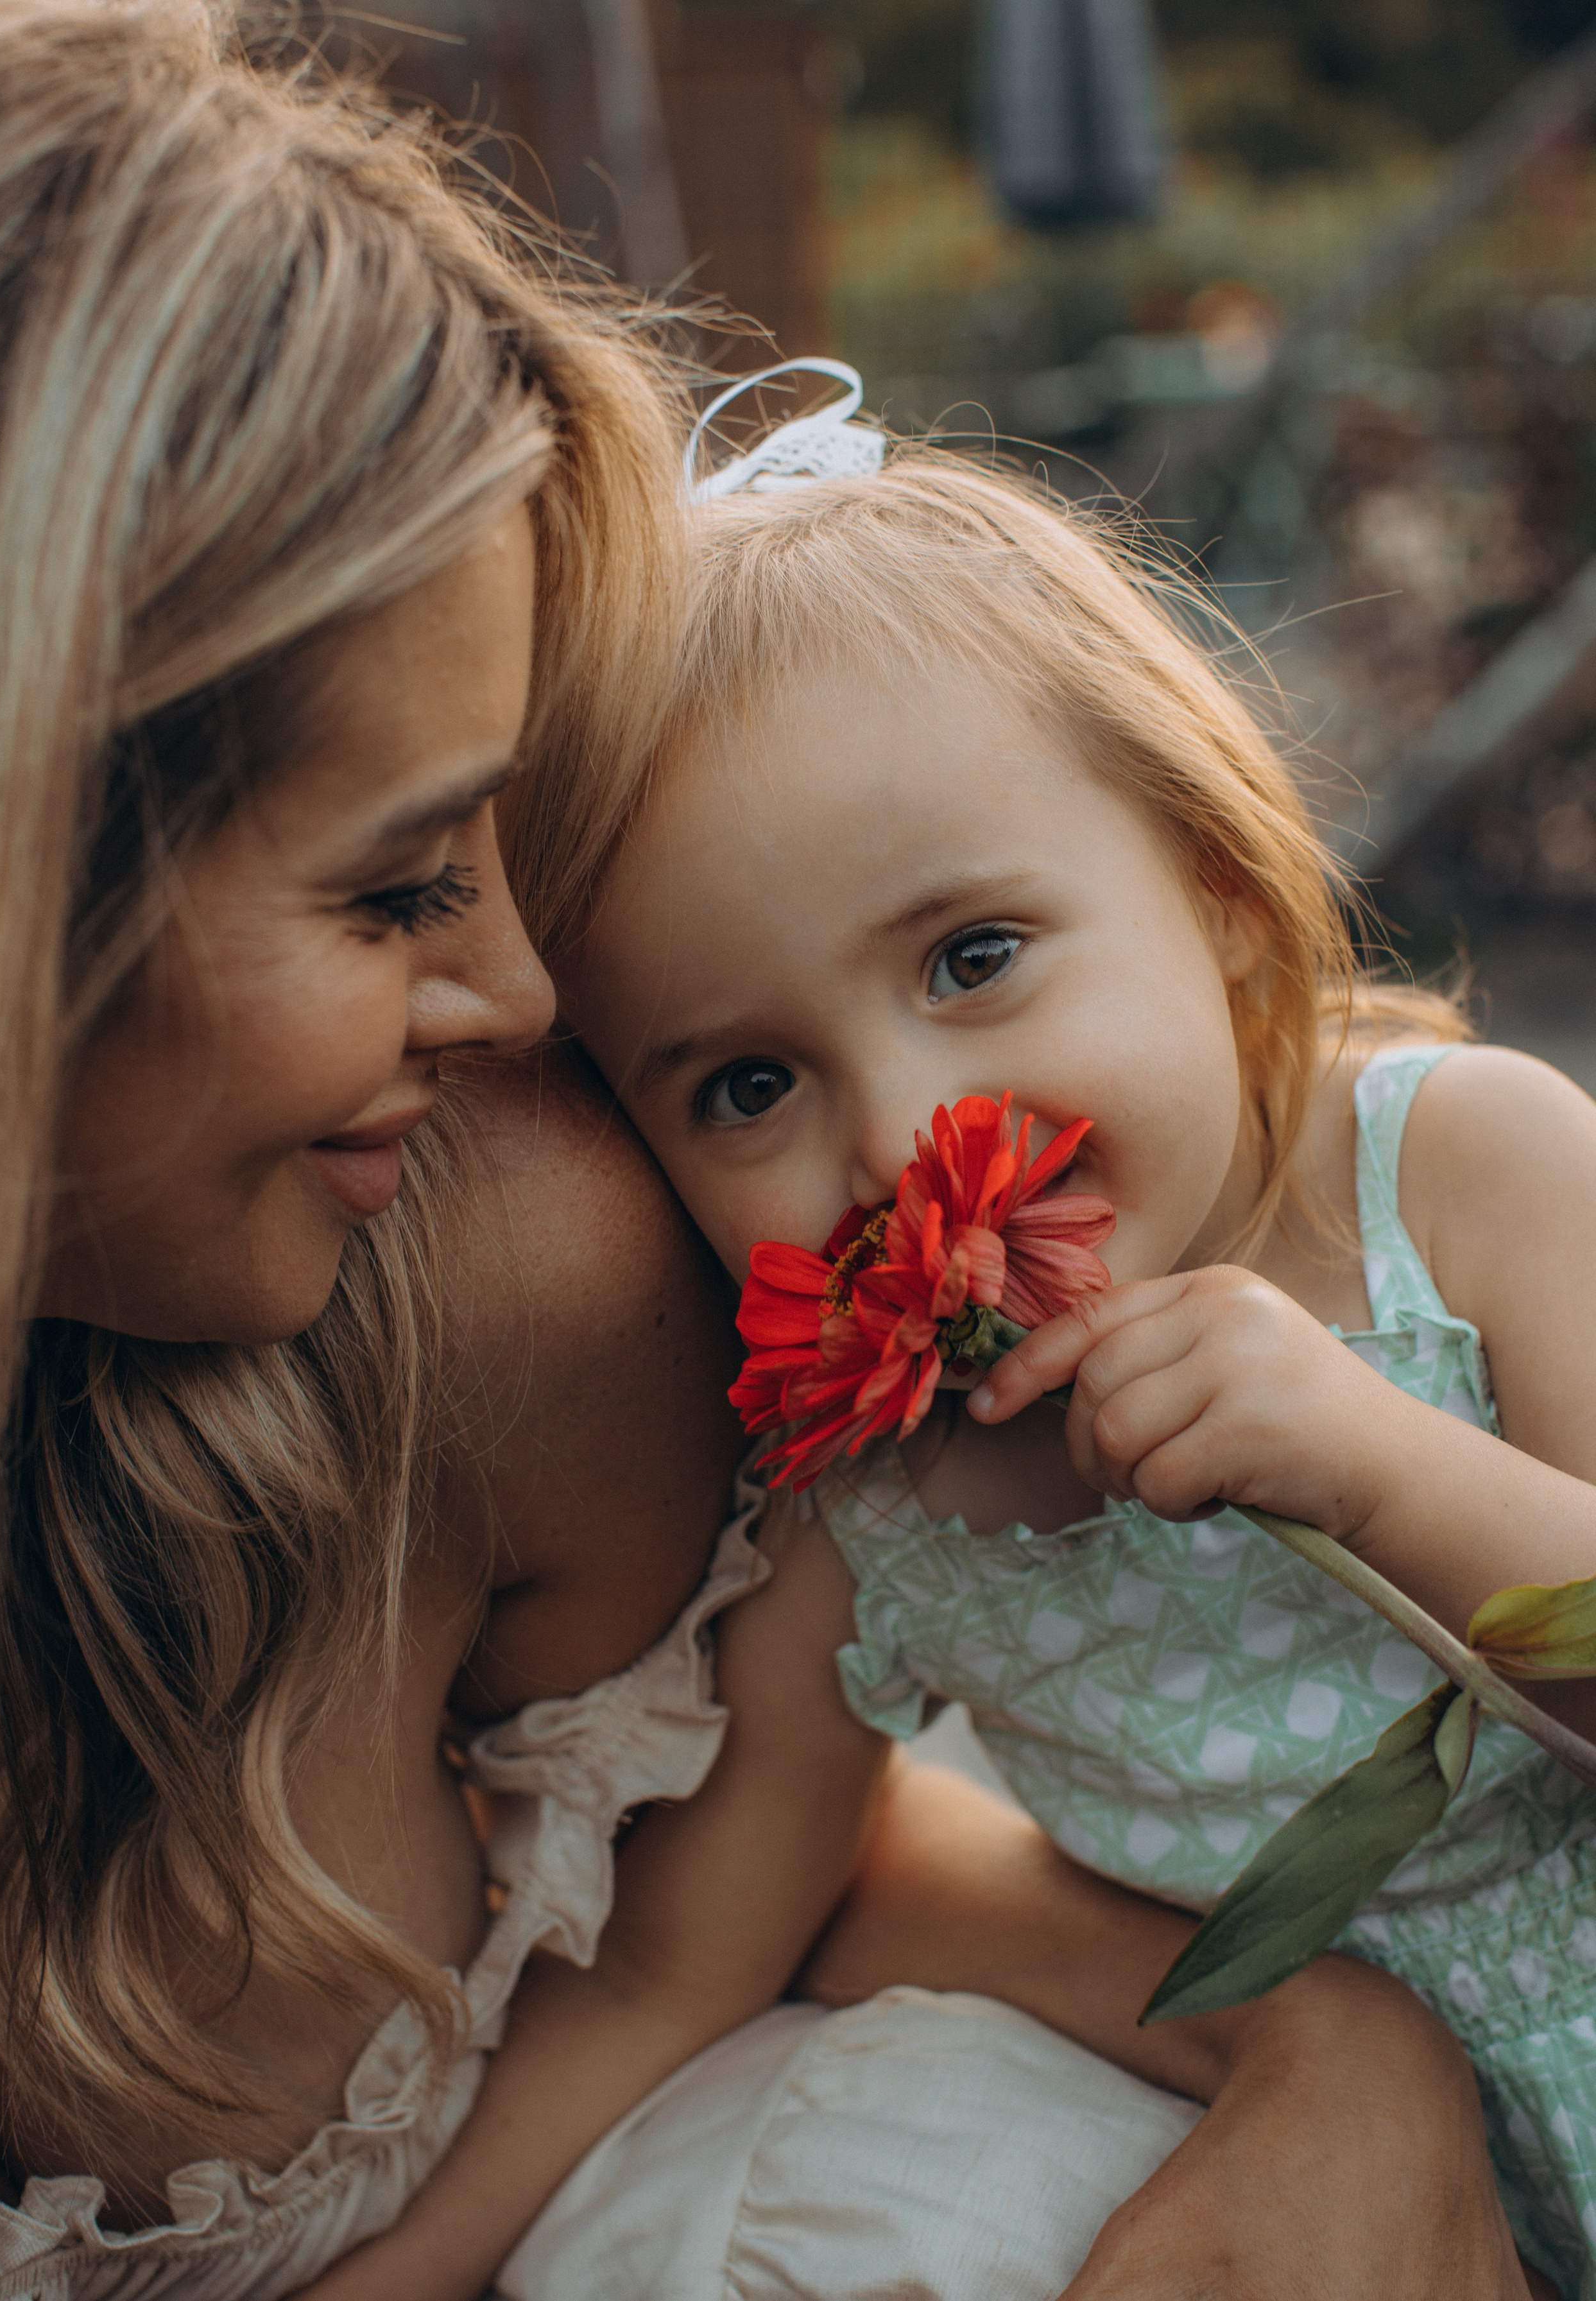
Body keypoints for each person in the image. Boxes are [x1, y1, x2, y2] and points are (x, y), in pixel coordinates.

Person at [0, 7, 1543, 2297]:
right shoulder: (846, 1436)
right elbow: (726, 1908)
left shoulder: (520, 1271)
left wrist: (1334, 2015)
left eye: (979, 950)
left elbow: (756, 1862)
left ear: (1217, 866)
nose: (513, 1011)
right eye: (397, 878)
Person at [536, 442, 1593, 2298]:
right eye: (747, 1083)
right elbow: (683, 1962)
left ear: (1220, 888)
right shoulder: (855, 1504)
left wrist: (1379, 1467)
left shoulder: (1466, 1180)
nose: (899, 1133)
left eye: (975, 955)